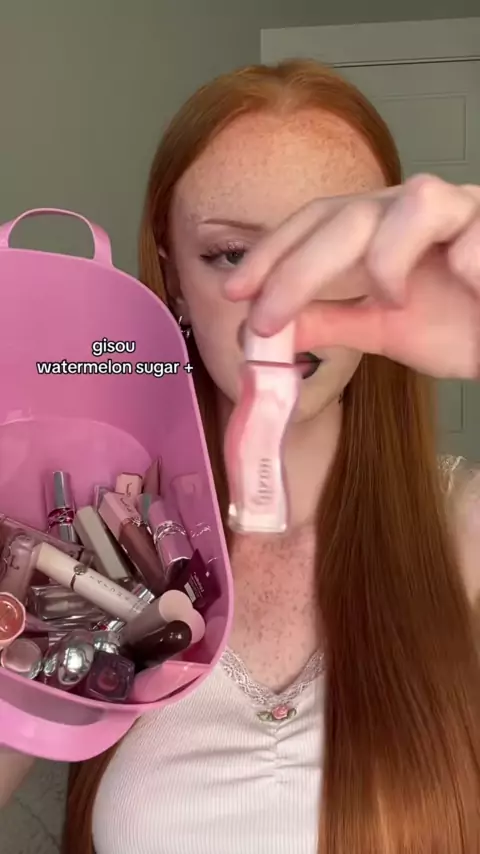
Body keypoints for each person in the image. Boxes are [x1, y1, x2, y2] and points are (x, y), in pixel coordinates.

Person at [1, 59, 480, 854]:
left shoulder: (464, 532)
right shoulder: (88, 543)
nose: (284, 304)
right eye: (231, 254)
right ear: (174, 281)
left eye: (332, 251)